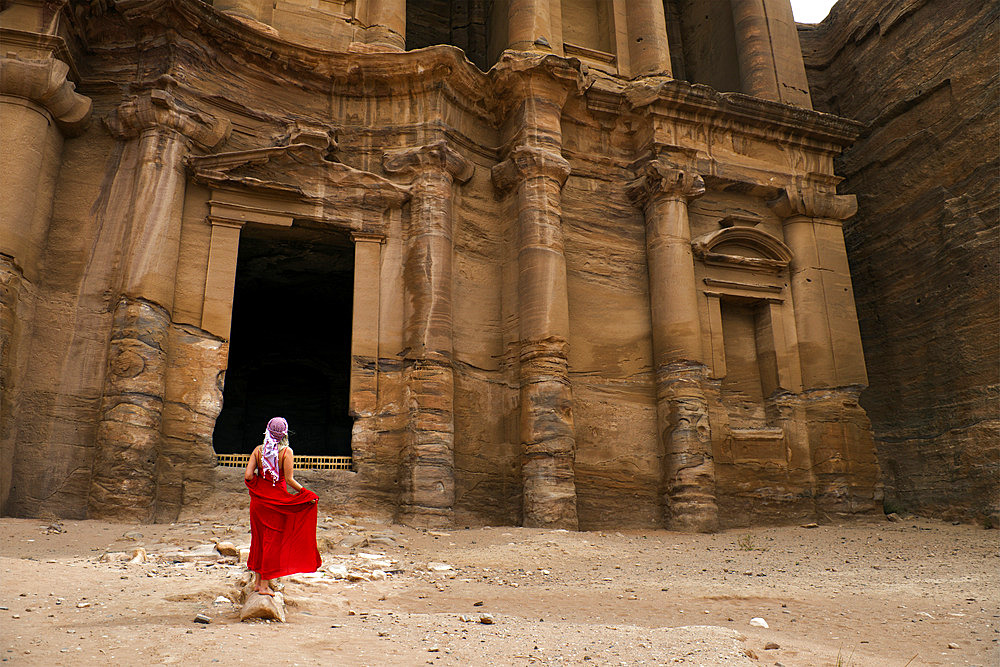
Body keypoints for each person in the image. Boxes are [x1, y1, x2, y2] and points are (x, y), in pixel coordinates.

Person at [243, 417, 321, 596]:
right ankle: (264, 586)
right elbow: (290, 479)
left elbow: (248, 476)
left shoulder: (258, 451)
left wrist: (260, 486)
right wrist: (306, 493)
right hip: (277, 501)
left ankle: (257, 582)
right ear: (284, 434)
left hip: (259, 503)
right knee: (272, 542)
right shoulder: (286, 452)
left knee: (259, 540)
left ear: (267, 431)